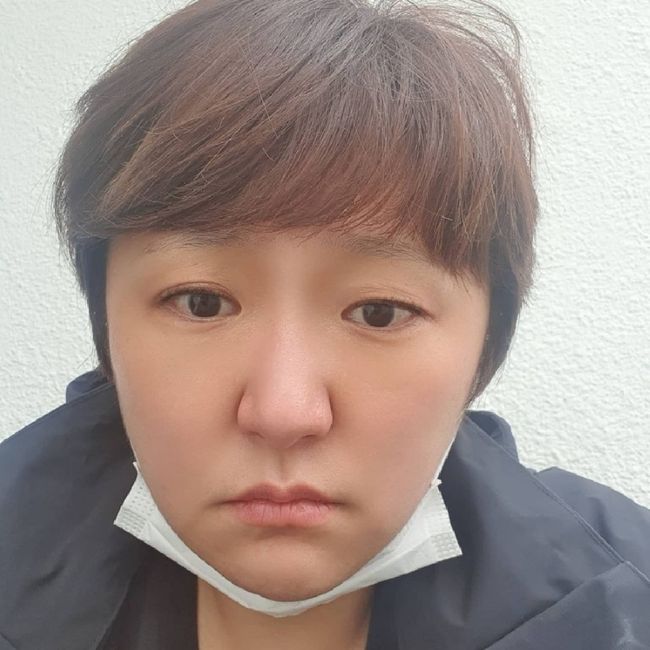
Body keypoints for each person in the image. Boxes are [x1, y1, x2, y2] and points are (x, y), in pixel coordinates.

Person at [1, 0, 649, 648]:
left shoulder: (627, 599)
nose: (284, 412)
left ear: (484, 344)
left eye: (379, 312)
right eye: (201, 302)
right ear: (107, 329)